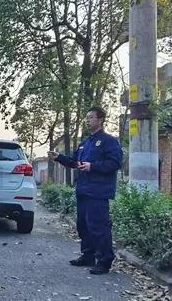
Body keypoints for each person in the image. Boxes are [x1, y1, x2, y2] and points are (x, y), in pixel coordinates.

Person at [48, 106, 122, 275]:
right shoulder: (85, 143)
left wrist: (93, 166)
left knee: (98, 226)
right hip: (83, 189)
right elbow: (75, 163)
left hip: (98, 191)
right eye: (87, 118)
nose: (88, 121)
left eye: (91, 118)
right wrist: (59, 157)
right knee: (83, 225)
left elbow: (115, 163)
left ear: (101, 119)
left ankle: (104, 261)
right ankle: (88, 255)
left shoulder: (108, 141)